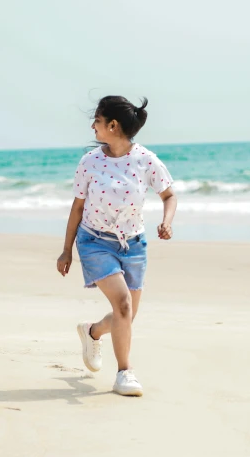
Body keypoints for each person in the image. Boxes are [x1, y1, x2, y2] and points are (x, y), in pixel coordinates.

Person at [56, 96, 177, 396]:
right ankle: (125, 373)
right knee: (122, 305)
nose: (93, 126)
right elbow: (77, 207)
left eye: (97, 120)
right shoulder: (90, 162)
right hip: (95, 242)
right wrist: (66, 249)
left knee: (127, 315)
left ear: (112, 125)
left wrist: (167, 221)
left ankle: (92, 332)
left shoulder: (147, 160)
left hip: (134, 245)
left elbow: (169, 195)